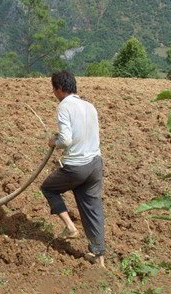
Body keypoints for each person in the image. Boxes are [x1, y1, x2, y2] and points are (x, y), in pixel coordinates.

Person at [40, 71, 105, 268]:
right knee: (93, 209)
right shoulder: (89, 106)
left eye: (53, 89)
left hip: (77, 167)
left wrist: (55, 141)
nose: (53, 93)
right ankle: (99, 257)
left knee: (48, 188)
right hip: (95, 164)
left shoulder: (64, 107)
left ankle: (70, 227)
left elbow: (66, 139)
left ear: (60, 89)